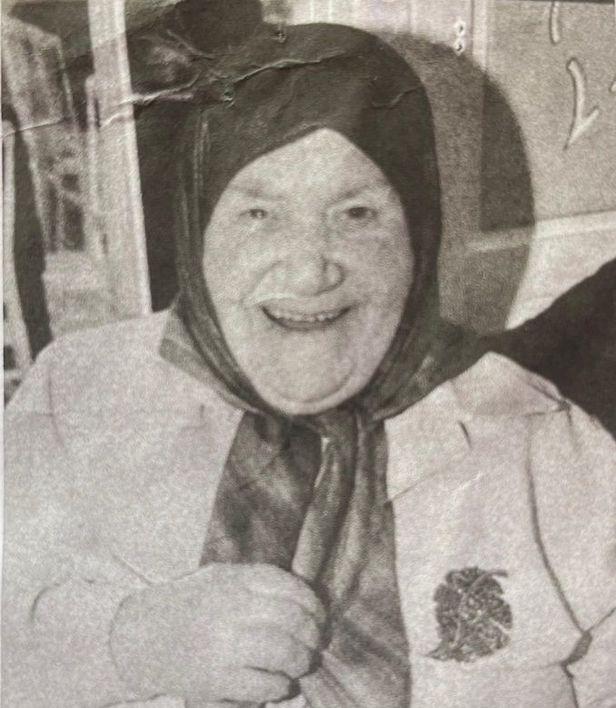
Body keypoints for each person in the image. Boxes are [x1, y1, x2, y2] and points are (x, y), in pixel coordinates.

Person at [3, 23, 615, 708]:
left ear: (420, 232)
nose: (309, 268)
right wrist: (126, 644)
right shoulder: (75, 398)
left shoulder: (543, 446)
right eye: (259, 214)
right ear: (198, 228)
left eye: (356, 213)